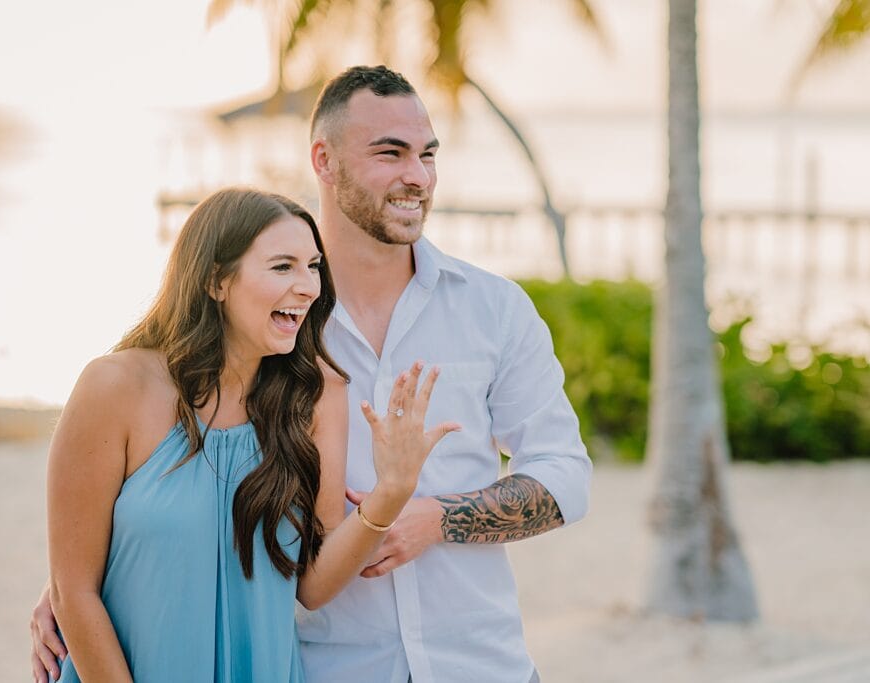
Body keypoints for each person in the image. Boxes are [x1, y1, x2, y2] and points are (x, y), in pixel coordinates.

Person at [34, 66, 592, 682]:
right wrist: (77, 581)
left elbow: (565, 475)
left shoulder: (494, 309)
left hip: (481, 665)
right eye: (391, 153)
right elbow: (173, 484)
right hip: (334, 668)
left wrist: (434, 516)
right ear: (323, 161)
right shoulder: (280, 333)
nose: (418, 175)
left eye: (428, 155)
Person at [42, 187, 459, 682]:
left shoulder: (318, 394)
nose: (308, 286)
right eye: (283, 266)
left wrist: (392, 491)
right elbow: (73, 590)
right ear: (217, 280)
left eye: (313, 266)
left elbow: (312, 585)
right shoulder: (115, 386)